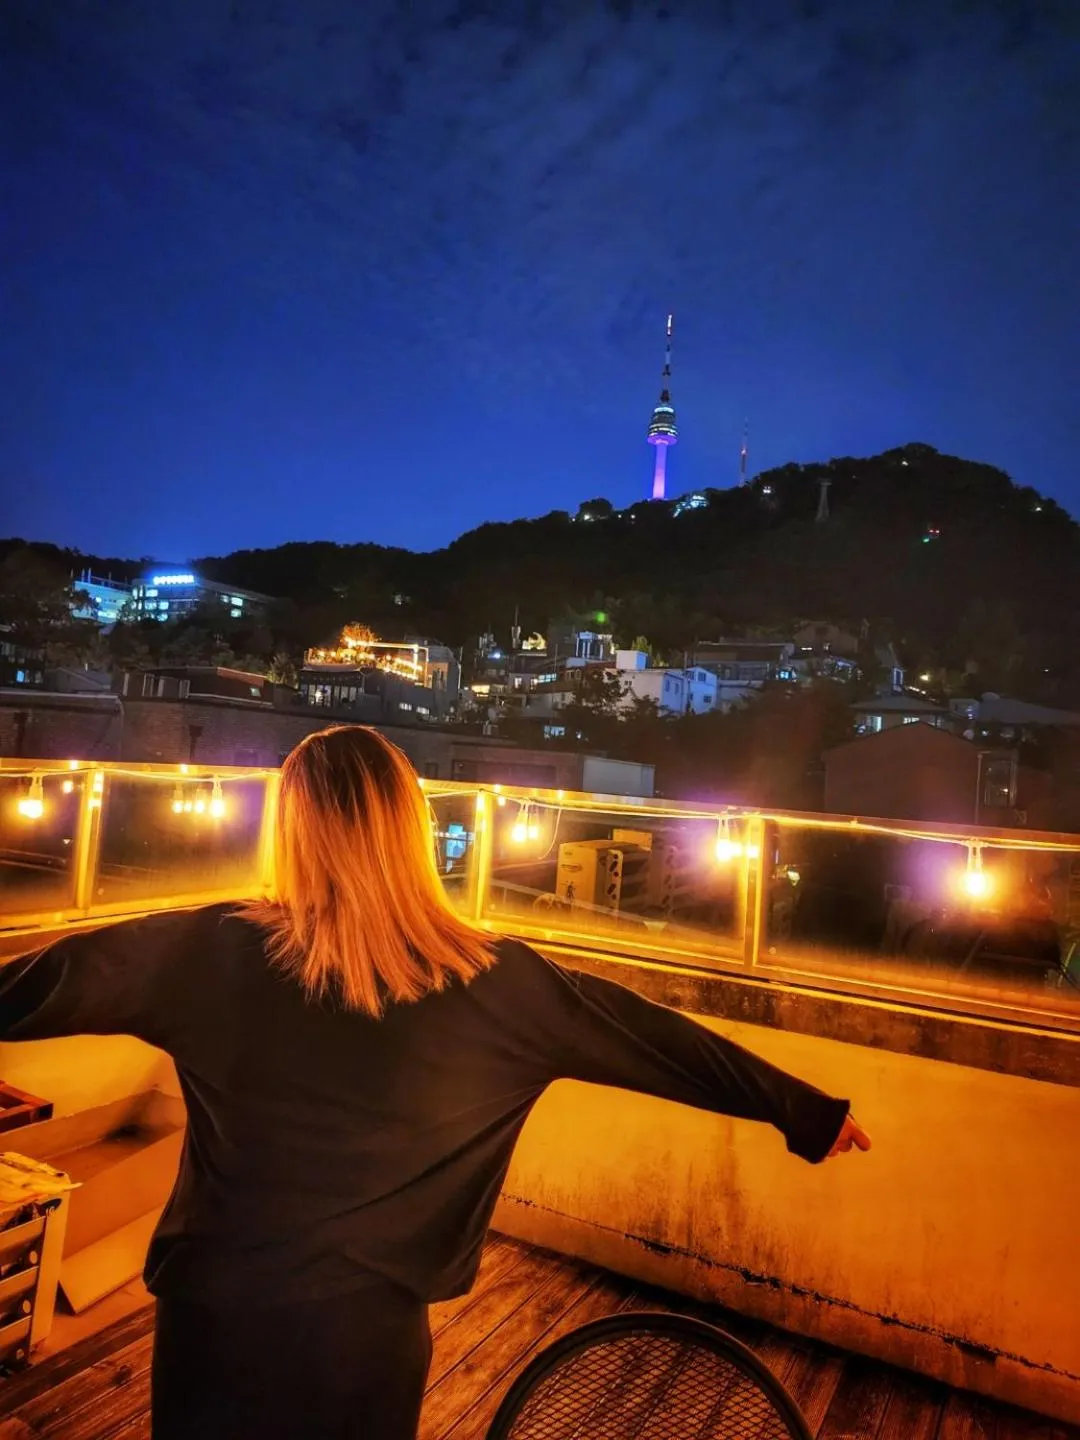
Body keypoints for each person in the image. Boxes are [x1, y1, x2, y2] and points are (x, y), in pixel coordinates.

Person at [0, 726, 870, 1439]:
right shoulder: (502, 985)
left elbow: (38, 985)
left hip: (219, 1319)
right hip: (369, 1342)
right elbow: (657, 1040)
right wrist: (806, 1113)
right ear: (410, 831)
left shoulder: (210, 952)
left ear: (292, 831)